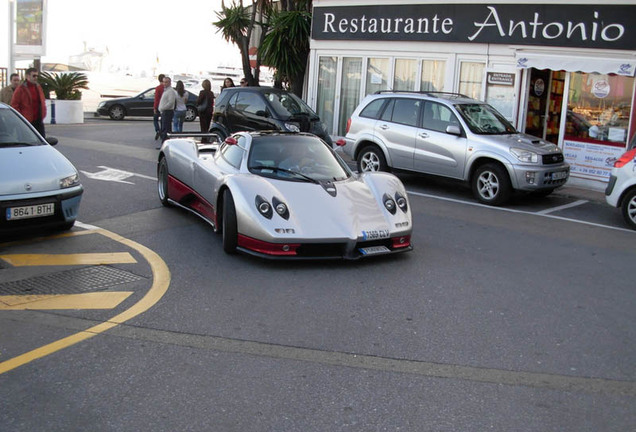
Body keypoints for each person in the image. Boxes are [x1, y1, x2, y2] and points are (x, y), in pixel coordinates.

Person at [11, 68, 47, 137]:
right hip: (27, 121)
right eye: (34, 76)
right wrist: (22, 118)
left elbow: (42, 101)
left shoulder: (38, 87)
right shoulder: (21, 89)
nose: (36, 78)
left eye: (37, 76)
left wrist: (43, 113)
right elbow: (14, 105)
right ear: (27, 76)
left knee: (41, 141)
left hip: (39, 120)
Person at [157, 76, 177, 146]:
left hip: (167, 112)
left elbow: (171, 103)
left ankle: (165, 145)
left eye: (166, 82)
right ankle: (164, 144)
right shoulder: (166, 90)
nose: (164, 84)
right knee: (163, 129)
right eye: (163, 82)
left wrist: (162, 108)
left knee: (166, 129)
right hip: (164, 112)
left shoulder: (170, 91)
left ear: (170, 83)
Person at [153, 74, 165, 140]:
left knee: (155, 119)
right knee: (163, 120)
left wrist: (155, 107)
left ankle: (158, 130)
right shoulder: (166, 88)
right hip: (164, 106)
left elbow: (156, 99)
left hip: (158, 106)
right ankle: (162, 132)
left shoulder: (158, 88)